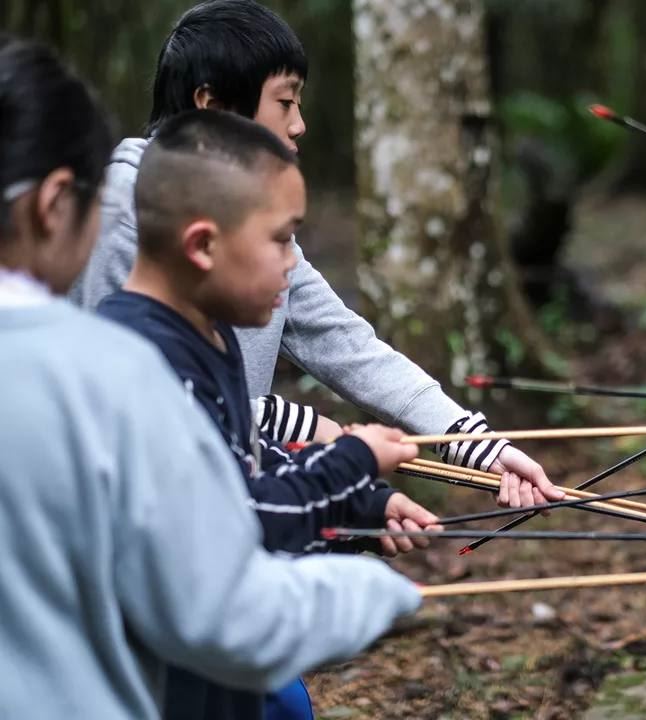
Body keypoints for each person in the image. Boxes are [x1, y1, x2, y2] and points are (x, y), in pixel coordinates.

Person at [0, 35, 421, 720]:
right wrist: (377, 596)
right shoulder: (114, 373)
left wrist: (359, 502)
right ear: (52, 205)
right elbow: (218, 605)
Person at [71, 0, 565, 511]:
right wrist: (303, 428)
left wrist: (473, 444)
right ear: (212, 106)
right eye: (285, 102)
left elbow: (343, 341)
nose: (299, 125)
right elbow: (140, 399)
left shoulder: (251, 212)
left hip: (232, 496)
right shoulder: (126, 213)